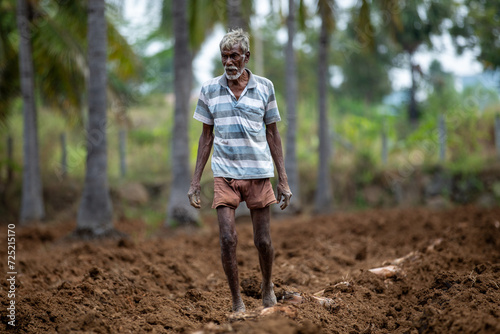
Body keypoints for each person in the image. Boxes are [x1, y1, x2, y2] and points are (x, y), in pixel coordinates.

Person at [187, 28, 292, 313]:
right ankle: (236, 301)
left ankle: (267, 285)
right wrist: (195, 182)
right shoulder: (209, 89)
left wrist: (283, 180)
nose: (229, 62)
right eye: (224, 56)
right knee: (227, 238)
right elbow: (206, 137)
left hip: (258, 172)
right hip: (225, 175)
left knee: (263, 240)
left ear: (246, 56)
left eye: (234, 56)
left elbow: (273, 134)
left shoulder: (265, 87)